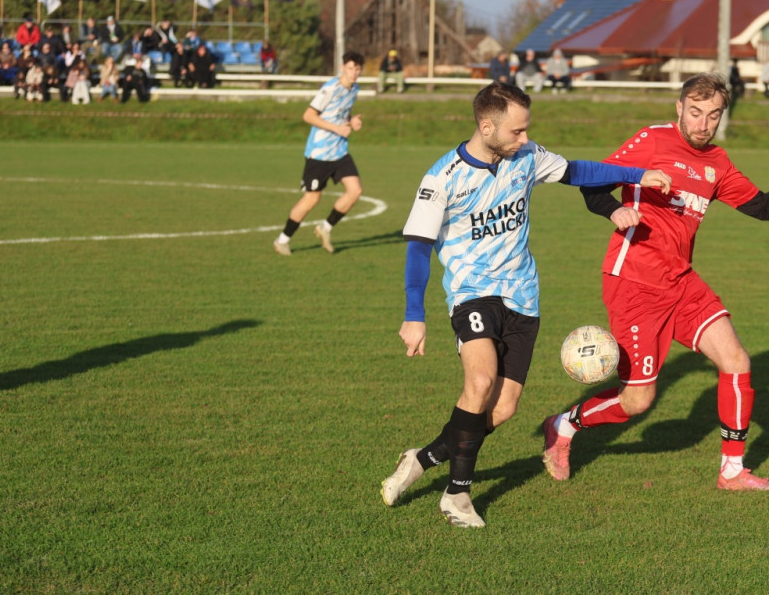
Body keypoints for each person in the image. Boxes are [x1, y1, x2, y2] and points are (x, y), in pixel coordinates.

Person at [382, 82, 672, 527]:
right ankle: (457, 495)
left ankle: (422, 459)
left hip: (523, 296)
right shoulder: (441, 179)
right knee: (480, 382)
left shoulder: (526, 157)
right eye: (516, 131)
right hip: (472, 291)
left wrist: (637, 175)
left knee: (502, 409)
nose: (524, 138)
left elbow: (578, 171)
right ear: (487, 127)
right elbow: (419, 248)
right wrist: (413, 315)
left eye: (525, 130)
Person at [539, 72, 769, 492]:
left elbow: (763, 208)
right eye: (695, 112)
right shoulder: (653, 141)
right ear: (679, 108)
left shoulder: (718, 162)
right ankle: (564, 425)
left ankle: (732, 471)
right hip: (634, 282)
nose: (702, 124)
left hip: (681, 281)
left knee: (736, 361)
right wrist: (614, 211)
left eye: (713, 115)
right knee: (637, 401)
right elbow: (593, 182)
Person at [272, 51, 369, 256]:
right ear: (342, 68)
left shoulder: (355, 89)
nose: (354, 73)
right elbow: (308, 115)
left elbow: (341, 113)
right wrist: (337, 129)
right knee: (312, 199)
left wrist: (352, 121)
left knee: (355, 191)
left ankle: (325, 228)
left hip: (340, 151)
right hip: (319, 153)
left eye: (358, 69)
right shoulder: (330, 89)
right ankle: (282, 240)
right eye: (350, 68)